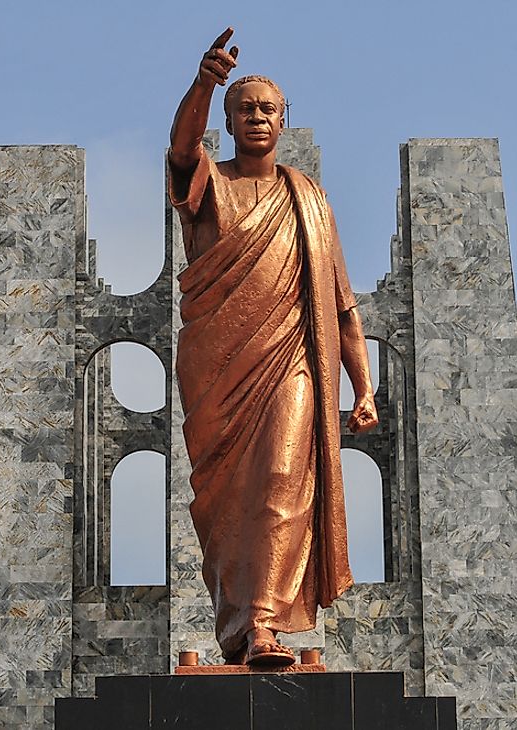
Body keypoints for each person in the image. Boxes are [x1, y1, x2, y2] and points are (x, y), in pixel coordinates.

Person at [169, 27, 378, 667]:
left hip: (291, 362)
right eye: (245, 108)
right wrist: (205, 81)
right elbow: (179, 151)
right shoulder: (207, 183)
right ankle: (236, 625)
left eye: (268, 109)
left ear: (285, 121)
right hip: (217, 369)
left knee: (285, 480)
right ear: (227, 122)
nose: (257, 117)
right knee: (225, 501)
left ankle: (265, 624)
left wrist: (363, 386)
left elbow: (340, 303)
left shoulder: (309, 199)